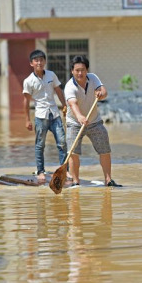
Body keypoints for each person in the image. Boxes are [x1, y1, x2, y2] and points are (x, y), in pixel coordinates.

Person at [64, 55, 121, 187]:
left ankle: (108, 180)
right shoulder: (69, 87)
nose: (80, 73)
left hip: (94, 121)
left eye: (83, 70)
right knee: (73, 153)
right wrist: (79, 117)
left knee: (105, 150)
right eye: (77, 70)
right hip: (74, 123)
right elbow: (73, 104)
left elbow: (104, 91)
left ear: (87, 70)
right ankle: (75, 182)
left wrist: (102, 94)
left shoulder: (93, 78)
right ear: (72, 71)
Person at [23, 50, 67, 184]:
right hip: (40, 117)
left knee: (62, 142)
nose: (39, 62)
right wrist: (27, 120)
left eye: (41, 60)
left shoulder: (51, 75)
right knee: (40, 145)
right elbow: (25, 101)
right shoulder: (28, 81)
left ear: (45, 62)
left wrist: (65, 106)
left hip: (54, 114)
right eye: (36, 60)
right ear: (31, 63)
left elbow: (59, 91)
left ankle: (65, 170)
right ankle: (41, 171)